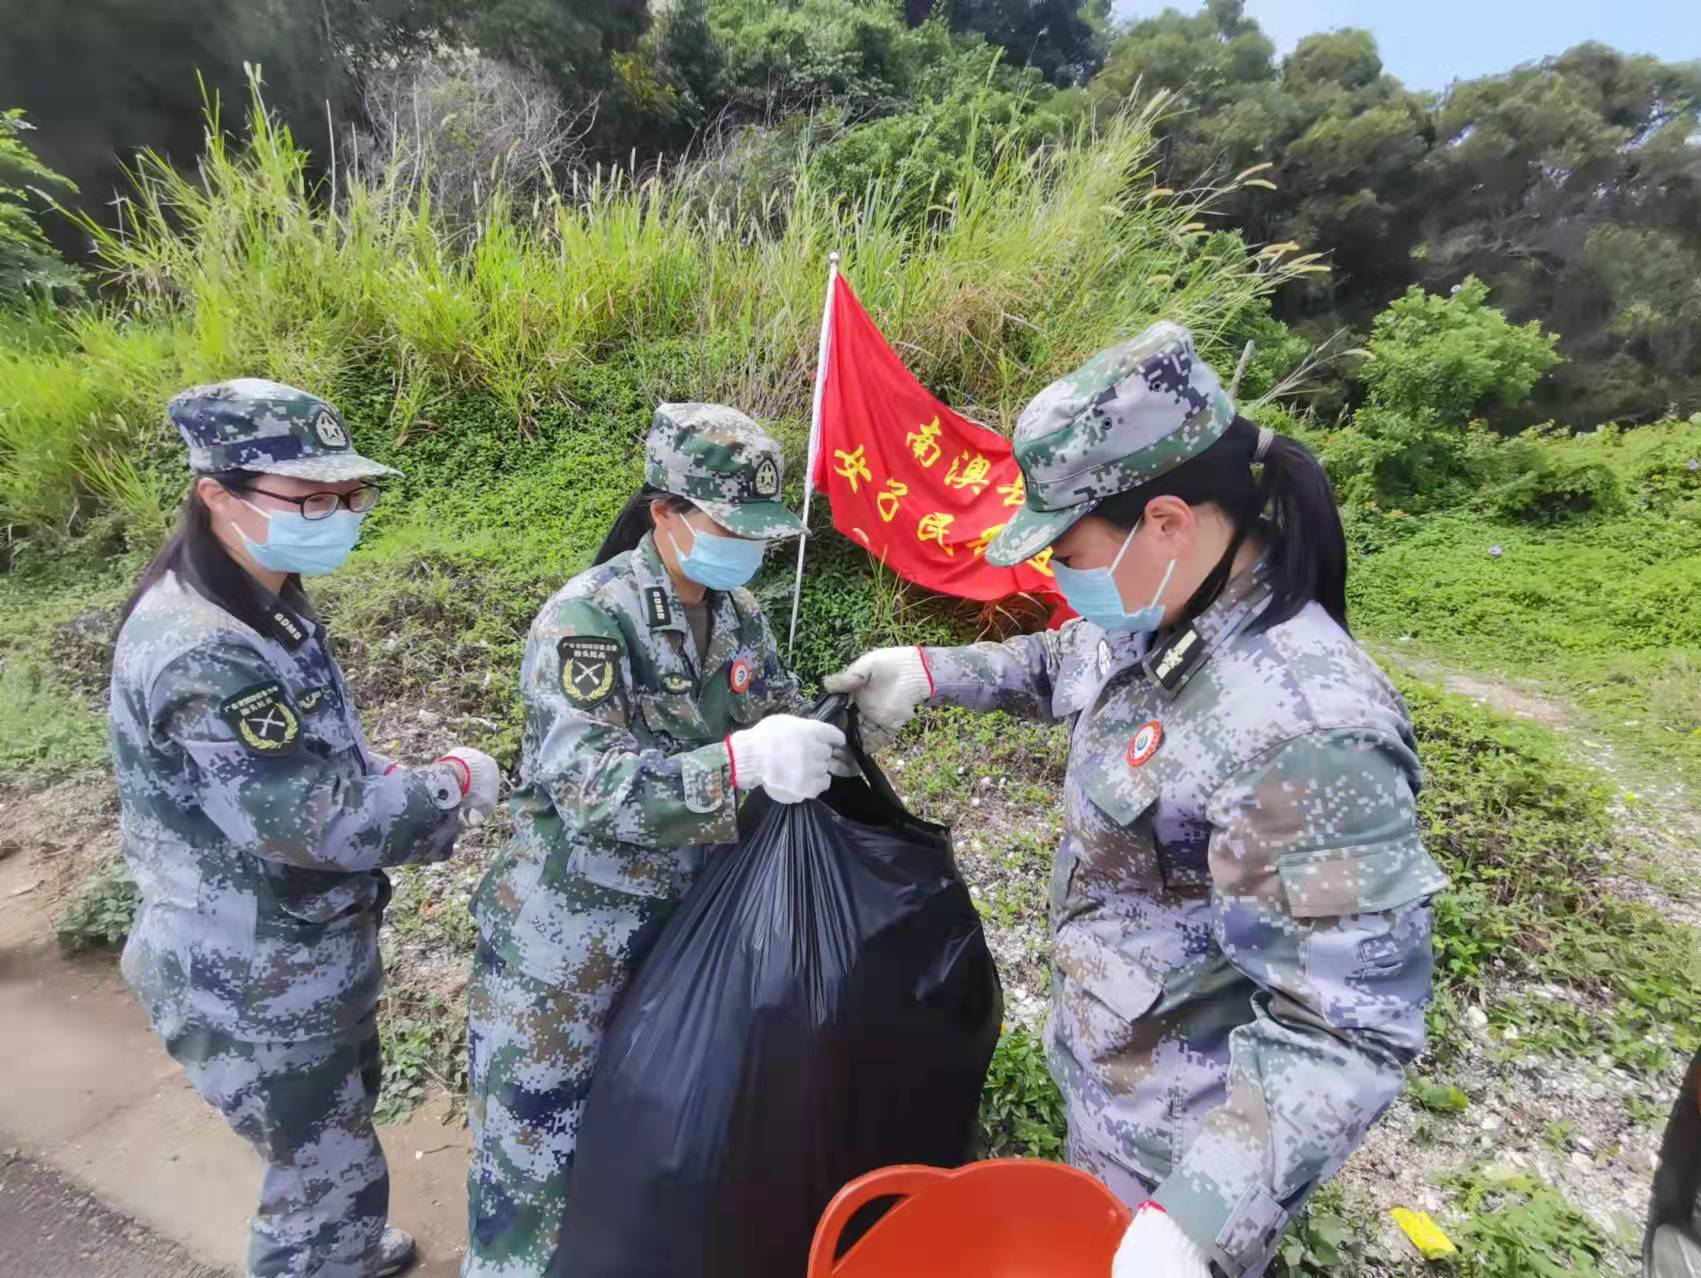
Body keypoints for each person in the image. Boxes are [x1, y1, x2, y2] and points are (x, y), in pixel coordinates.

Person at [826, 325, 1449, 1278]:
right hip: (1114, 1072)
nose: (1060, 577)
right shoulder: (1169, 609)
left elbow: (1346, 1023)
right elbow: (1061, 659)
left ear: (1165, 521)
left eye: (1070, 551)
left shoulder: (1306, 729)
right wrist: (929, 670)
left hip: (1191, 1136)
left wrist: (1197, 1218)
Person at [110, 379, 501, 1278]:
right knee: (316, 1176)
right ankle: (323, 1253)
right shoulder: (201, 644)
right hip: (251, 977)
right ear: (217, 493)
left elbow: (314, 765)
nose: (340, 513)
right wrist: (451, 785)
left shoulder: (263, 594)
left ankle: (347, 1244)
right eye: (313, 498)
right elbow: (311, 826)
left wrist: (387, 779)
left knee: (335, 1131)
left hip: (299, 953)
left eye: (350, 495)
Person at [461, 403, 843, 1277]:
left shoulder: (736, 611)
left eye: (758, 532)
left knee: (632, 1144)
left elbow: (767, 710)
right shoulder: (589, 621)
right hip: (567, 941)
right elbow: (589, 788)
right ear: (666, 513)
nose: (745, 547)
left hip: (680, 932)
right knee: (533, 1161)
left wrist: (823, 724)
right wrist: (739, 764)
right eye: (726, 527)